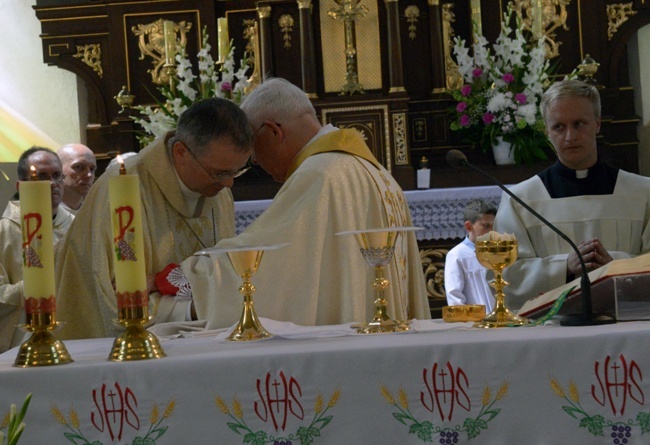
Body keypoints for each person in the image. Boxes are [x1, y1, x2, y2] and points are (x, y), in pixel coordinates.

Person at [174, 78, 430, 329]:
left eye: (254, 153)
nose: (257, 163)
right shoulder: (378, 173)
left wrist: (187, 278)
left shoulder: (320, 175)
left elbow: (268, 261)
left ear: (274, 132)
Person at [54, 98, 254, 340]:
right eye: (219, 173)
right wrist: (194, 308)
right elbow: (110, 297)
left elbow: (222, 269)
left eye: (237, 172)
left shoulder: (219, 193)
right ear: (181, 152)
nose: (228, 183)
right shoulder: (122, 189)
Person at [494, 79, 650, 310]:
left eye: (579, 124)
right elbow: (505, 276)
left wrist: (613, 266)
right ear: (546, 130)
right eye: (559, 126)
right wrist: (565, 266)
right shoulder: (520, 199)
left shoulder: (642, 193)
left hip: (629, 325)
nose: (570, 136)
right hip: (552, 329)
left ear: (597, 124)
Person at [0, 147, 74, 352]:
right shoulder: (4, 231)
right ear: (20, 185)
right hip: (21, 343)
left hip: (73, 337)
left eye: (57, 176)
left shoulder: (76, 227)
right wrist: (34, 287)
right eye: (41, 176)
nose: (52, 184)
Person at [444, 199, 496, 312]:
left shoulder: (498, 251)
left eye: (494, 226)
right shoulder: (457, 255)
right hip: (476, 323)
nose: (492, 232)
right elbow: (455, 297)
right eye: (486, 226)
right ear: (468, 226)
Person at [56, 143, 97, 214]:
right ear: (58, 170)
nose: (89, 175)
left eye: (92, 169)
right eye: (79, 167)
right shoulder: (46, 212)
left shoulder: (97, 212)